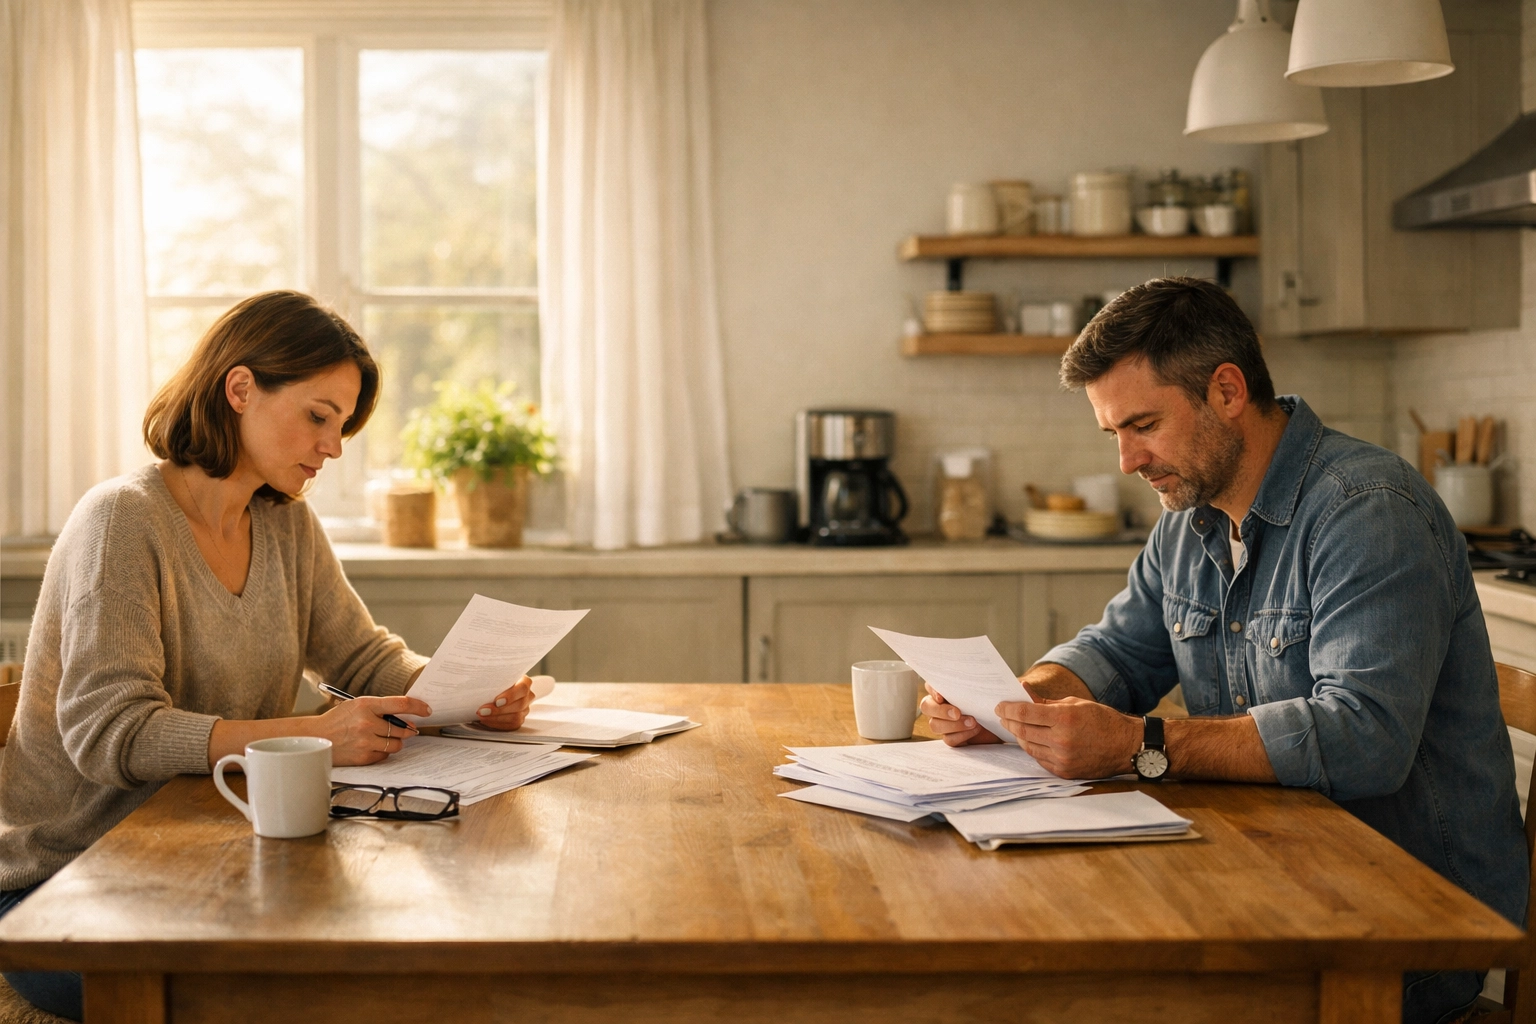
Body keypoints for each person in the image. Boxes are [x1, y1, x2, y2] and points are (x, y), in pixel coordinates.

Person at [920, 276, 1528, 1024]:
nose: (1127, 462)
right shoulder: (1188, 517)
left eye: (1142, 425)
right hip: (1272, 876)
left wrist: (1140, 745)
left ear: (1229, 390)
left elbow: (1367, 739)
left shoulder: (1369, 512)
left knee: (1073, 996)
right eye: (1113, 434)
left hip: (1402, 925)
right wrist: (1018, 701)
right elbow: (1118, 649)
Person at [0, 291, 538, 1021]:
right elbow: (111, 734)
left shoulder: (284, 521)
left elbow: (360, 654)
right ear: (241, 388)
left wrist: (464, 694)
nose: (334, 447)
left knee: (408, 946)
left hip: (207, 849)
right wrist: (315, 737)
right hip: (66, 889)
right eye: (319, 416)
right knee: (305, 988)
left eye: (342, 427)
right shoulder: (121, 520)